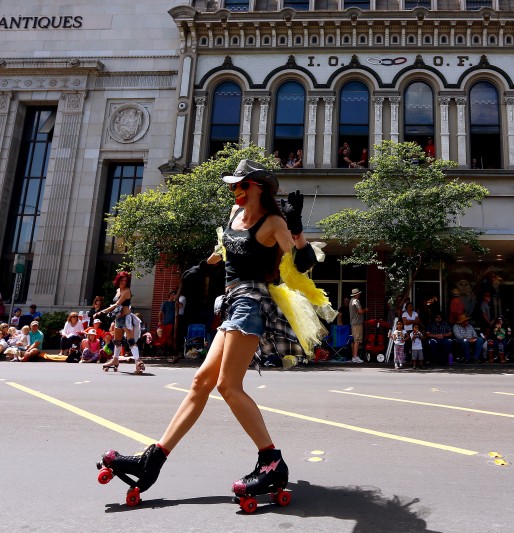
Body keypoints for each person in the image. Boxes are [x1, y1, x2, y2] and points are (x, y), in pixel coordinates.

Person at [97, 158, 319, 508]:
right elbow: (226, 246)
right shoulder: (235, 211)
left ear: (258, 187)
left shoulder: (274, 222)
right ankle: (152, 460)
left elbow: (304, 265)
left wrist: (296, 227)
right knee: (202, 382)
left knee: (228, 386)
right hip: (231, 301)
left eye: (242, 185)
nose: (236, 191)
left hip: (252, 301)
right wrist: (203, 266)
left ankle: (272, 460)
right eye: (234, 186)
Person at [96, 271, 143, 373]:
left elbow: (117, 304)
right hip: (118, 319)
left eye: (126, 280)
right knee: (117, 341)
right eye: (122, 280)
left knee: (130, 341)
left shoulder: (127, 291)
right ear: (118, 280)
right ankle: (115, 360)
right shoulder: (118, 290)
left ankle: (138, 361)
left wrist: (102, 312)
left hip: (126, 318)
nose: (124, 282)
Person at [349, 288, 367, 363]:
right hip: (357, 324)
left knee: (354, 341)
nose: (359, 294)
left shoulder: (351, 301)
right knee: (357, 340)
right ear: (356, 294)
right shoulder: (356, 301)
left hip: (353, 323)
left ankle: (354, 356)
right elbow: (360, 311)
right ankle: (356, 357)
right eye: (358, 293)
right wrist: (365, 310)